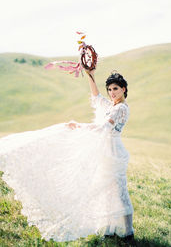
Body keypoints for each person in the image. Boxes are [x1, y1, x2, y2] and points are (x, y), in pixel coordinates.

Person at [0, 68, 135, 244]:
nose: (112, 93)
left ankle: (129, 231)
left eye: (115, 89)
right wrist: (90, 74)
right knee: (106, 190)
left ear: (124, 89)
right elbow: (96, 97)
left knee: (119, 191)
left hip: (114, 152)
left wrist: (78, 126)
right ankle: (110, 228)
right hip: (103, 150)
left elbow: (104, 128)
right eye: (110, 89)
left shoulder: (121, 108)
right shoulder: (112, 105)